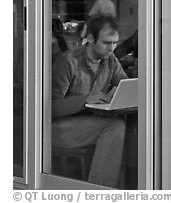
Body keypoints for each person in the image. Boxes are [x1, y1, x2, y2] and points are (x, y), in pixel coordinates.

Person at [51, 15, 128, 188]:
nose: (112, 48)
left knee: (130, 126)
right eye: (107, 42)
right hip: (56, 128)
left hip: (89, 123)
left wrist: (117, 95)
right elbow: (50, 107)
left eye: (115, 42)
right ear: (91, 39)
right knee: (114, 127)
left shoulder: (111, 60)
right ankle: (100, 191)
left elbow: (125, 85)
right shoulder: (69, 61)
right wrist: (85, 100)